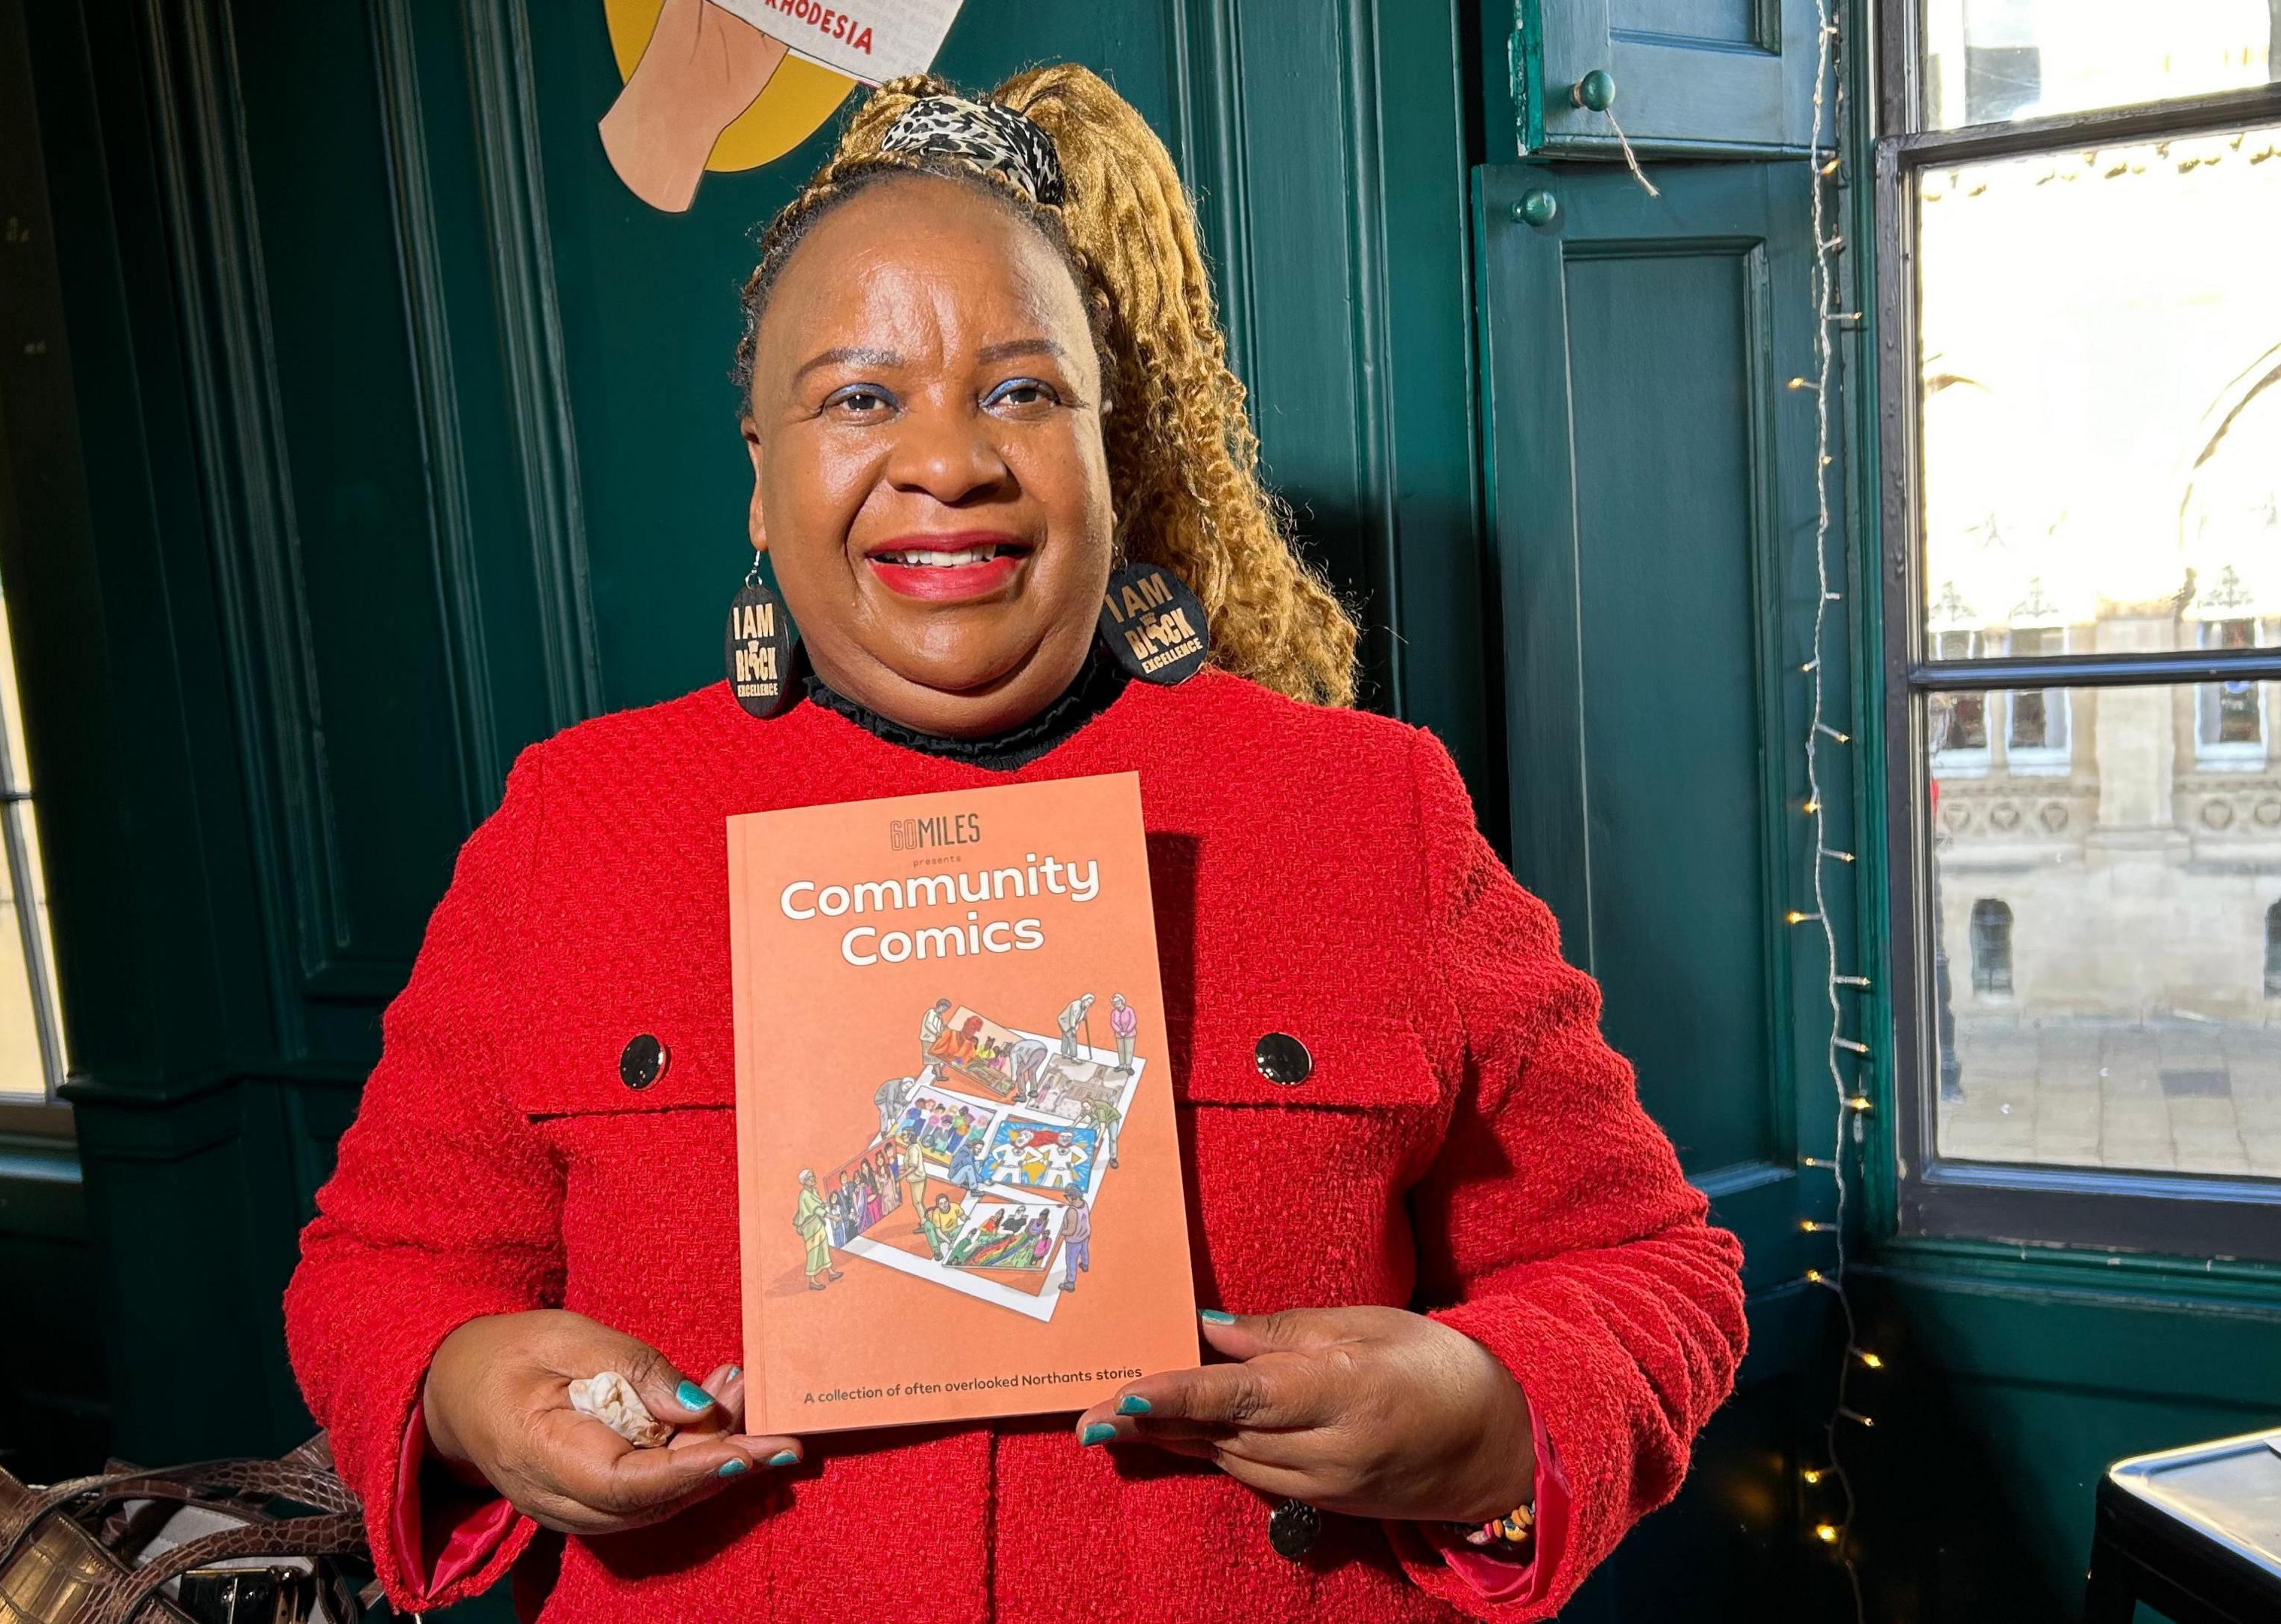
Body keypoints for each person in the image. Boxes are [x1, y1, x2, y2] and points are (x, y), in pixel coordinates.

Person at [287, 65, 1743, 1624]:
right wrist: (460, 1384)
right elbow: (378, 1264)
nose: (949, 461)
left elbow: (1656, 1268)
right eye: (859, 397)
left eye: (1022, 390)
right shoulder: (575, 828)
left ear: (1109, 452)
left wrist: (1494, 1409)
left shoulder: (1365, 810)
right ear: (761, 483)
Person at [792, 1171, 839, 1291]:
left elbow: (820, 1205)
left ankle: (831, 1272)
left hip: (818, 1224)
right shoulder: (804, 1195)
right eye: (809, 1178)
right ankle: (812, 1280)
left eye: (812, 1176)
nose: (812, 1179)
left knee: (824, 1247)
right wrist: (832, 1217)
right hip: (810, 1227)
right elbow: (816, 1209)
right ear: (804, 1182)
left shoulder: (814, 1191)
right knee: (814, 1251)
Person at [1056, 1191, 1092, 1290]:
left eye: (1067, 1197)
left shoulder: (1071, 1211)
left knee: (1071, 1260)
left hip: (1074, 1240)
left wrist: (1058, 1232)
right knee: (1084, 1251)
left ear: (1072, 1197)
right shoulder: (1083, 1203)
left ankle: (1070, 1283)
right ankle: (1085, 1265)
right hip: (1085, 1234)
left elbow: (1070, 1231)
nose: (1066, 1199)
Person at [1109, 992, 1137, 1071]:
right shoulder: (1114, 1012)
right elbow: (1113, 1023)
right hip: (1119, 1035)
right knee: (1121, 1050)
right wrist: (1120, 1032)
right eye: (1114, 1003)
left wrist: (1126, 1032)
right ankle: (1121, 1065)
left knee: (1129, 1050)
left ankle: (1128, 1066)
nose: (1116, 1004)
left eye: (1117, 1002)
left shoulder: (1129, 1010)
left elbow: (1133, 1021)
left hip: (1130, 1034)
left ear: (1122, 1001)